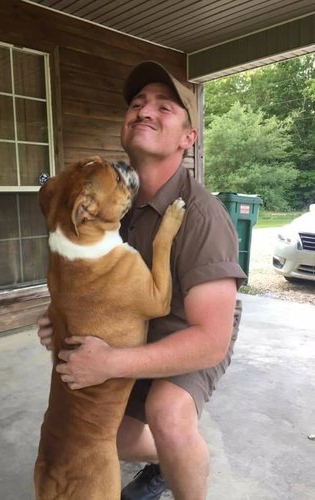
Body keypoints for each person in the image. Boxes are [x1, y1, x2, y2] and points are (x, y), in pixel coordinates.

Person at [37, 60, 246, 500]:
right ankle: (168, 460)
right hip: (135, 324)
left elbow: (211, 340)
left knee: (167, 412)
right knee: (102, 435)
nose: (145, 111)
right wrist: (61, 316)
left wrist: (111, 362)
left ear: (188, 140)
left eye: (164, 107)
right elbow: (92, 283)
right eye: (137, 103)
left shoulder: (204, 216)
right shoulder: (111, 197)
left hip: (185, 326)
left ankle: (182, 460)